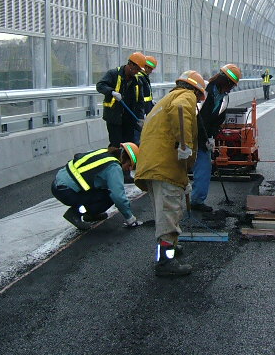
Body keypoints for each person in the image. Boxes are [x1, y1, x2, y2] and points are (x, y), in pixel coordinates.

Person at [135, 70, 206, 277]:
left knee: (164, 213)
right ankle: (165, 262)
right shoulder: (185, 97)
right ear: (196, 91)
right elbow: (182, 109)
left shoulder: (167, 98)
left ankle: (169, 249)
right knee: (169, 214)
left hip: (153, 165)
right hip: (165, 167)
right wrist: (184, 145)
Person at [52, 142, 144, 230]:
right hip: (65, 191)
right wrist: (130, 218)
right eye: (129, 165)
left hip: (57, 184)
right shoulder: (114, 167)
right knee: (109, 196)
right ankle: (75, 214)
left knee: (103, 190)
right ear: (125, 159)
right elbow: (118, 196)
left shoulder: (105, 152)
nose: (129, 169)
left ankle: (90, 214)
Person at [191, 64, 242, 212]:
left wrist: (212, 137)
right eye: (230, 84)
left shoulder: (224, 99)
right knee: (178, 169)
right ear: (223, 80)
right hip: (189, 135)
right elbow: (191, 114)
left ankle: (197, 201)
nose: (231, 88)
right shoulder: (203, 91)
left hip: (204, 139)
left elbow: (217, 121)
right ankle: (171, 203)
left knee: (204, 168)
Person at [96, 52, 146, 149]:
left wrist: (140, 118)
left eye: (139, 70)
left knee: (128, 147)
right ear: (130, 64)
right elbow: (100, 85)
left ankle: (126, 163)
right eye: (137, 69)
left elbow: (140, 102)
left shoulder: (137, 82)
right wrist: (112, 92)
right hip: (114, 118)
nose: (137, 72)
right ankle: (114, 161)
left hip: (129, 121)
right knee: (116, 146)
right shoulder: (113, 74)